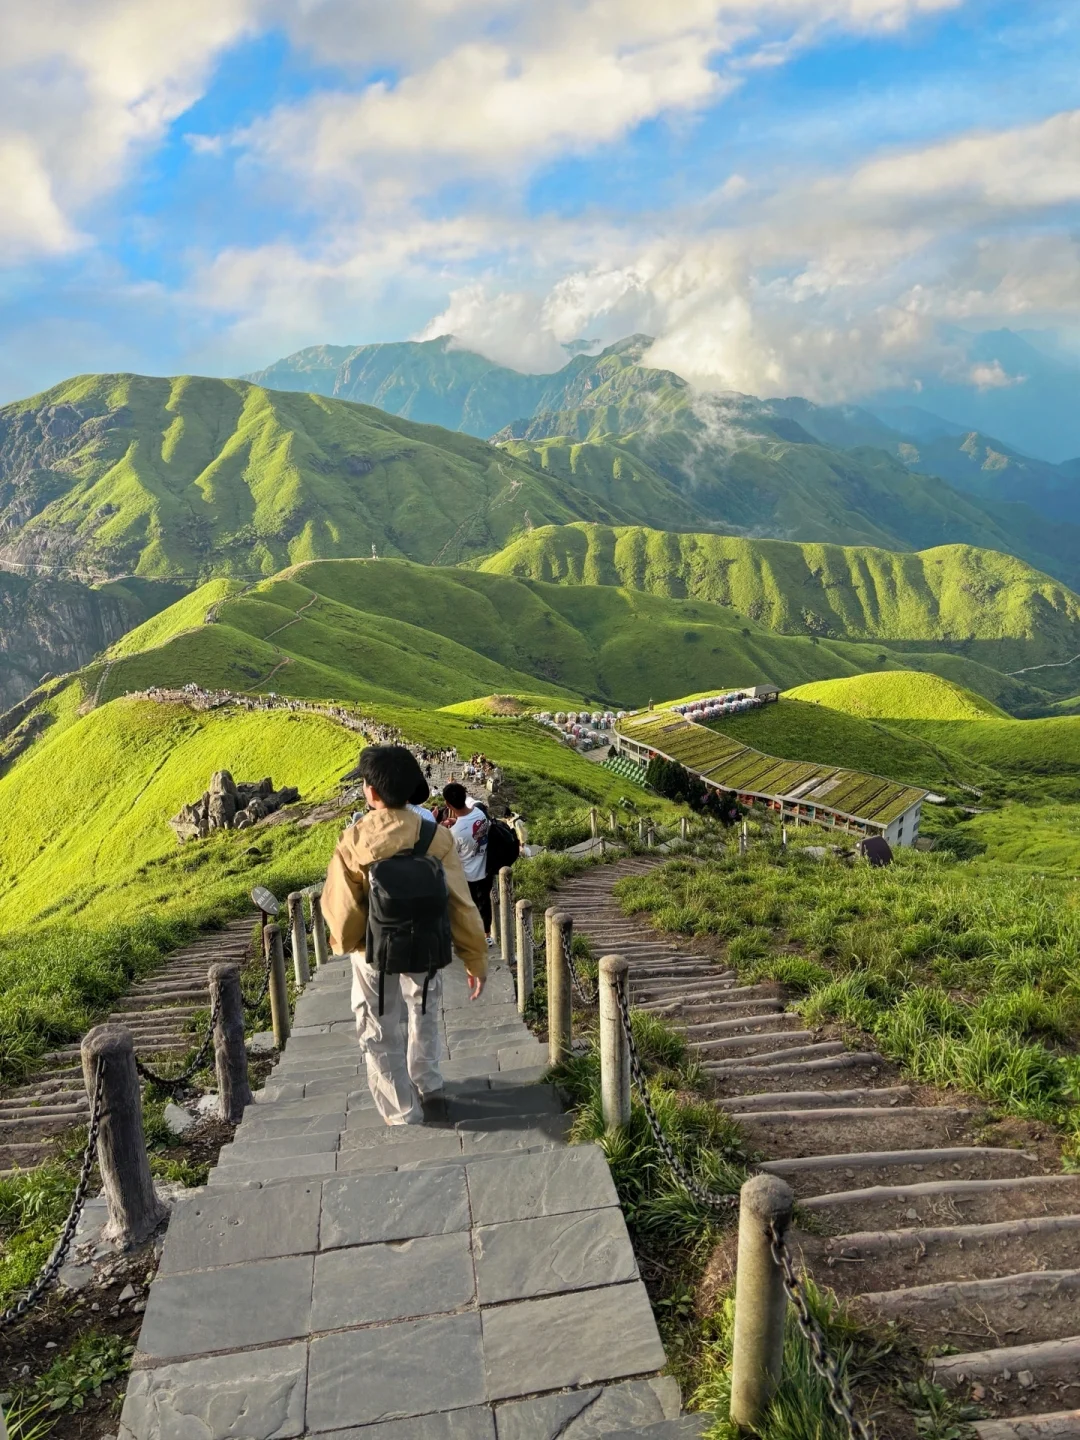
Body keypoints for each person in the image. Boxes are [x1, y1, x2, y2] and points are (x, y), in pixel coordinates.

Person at [322, 747, 487, 1126]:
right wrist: (474, 958)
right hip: (427, 941)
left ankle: (402, 1111)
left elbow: (343, 911)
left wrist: (349, 944)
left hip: (373, 949)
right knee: (424, 1010)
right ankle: (428, 1082)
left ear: (372, 793)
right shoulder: (436, 837)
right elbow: (461, 904)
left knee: (377, 1027)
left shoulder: (353, 840)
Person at [443, 781, 495, 947]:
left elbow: (452, 856)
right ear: (465, 797)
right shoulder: (480, 814)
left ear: (448, 804)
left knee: (466, 908)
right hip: (486, 869)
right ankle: (486, 935)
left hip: (467, 876)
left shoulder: (455, 832)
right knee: (484, 904)